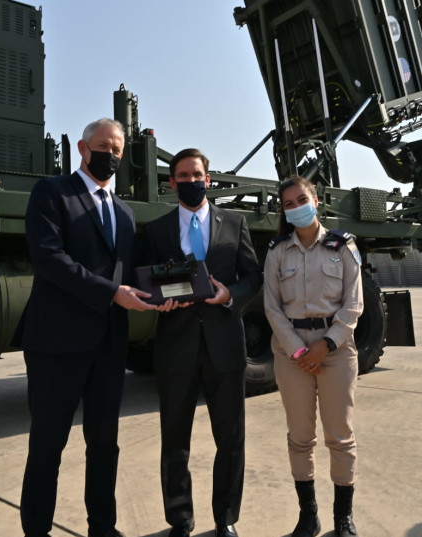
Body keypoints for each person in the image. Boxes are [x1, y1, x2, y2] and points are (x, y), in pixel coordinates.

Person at [12, 118, 162, 537]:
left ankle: (103, 527)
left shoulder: (125, 211)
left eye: (117, 149)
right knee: (47, 446)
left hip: (108, 346)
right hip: (56, 345)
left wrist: (174, 289)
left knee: (104, 446)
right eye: (102, 146)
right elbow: (49, 259)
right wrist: (112, 293)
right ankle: (37, 531)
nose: (110, 155)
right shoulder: (53, 192)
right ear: (82, 147)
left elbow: (132, 271)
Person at [142, 148, 262, 537]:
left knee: (230, 438)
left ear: (208, 179)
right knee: (174, 440)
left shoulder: (235, 223)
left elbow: (253, 276)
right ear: (172, 182)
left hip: (224, 345)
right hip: (175, 347)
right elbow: (148, 281)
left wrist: (231, 295)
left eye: (197, 174)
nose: (191, 181)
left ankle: (225, 519)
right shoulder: (157, 229)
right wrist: (158, 301)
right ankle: (180, 519)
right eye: (183, 175)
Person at [263, 175, 364, 537]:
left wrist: (327, 344)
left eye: (301, 199)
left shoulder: (343, 246)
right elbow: (272, 308)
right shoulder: (277, 252)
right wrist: (299, 350)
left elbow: (354, 304)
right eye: (288, 204)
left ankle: (343, 519)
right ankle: (309, 516)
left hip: (335, 352)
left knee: (340, 435)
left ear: (316, 201)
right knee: (300, 437)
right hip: (293, 355)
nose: (295, 208)